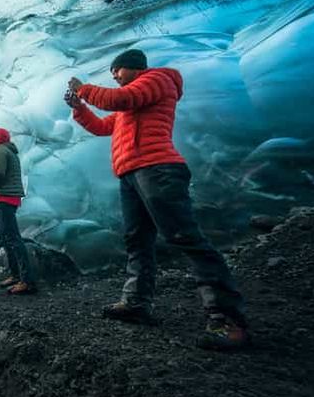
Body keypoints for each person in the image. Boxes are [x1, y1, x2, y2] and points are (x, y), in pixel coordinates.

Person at [65, 49, 248, 350]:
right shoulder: (133, 104)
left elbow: (120, 99)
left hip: (157, 168)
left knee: (184, 236)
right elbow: (102, 127)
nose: (114, 76)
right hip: (132, 173)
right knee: (137, 240)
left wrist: (82, 88)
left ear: (135, 68)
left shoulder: (158, 81)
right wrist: (79, 108)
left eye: (117, 70)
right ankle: (137, 302)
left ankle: (227, 319)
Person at [0, 128, 36, 295]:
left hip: (5, 198)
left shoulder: (0, 150)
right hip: (10, 198)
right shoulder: (10, 151)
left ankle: (26, 280)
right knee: (6, 237)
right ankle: (16, 275)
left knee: (13, 238)